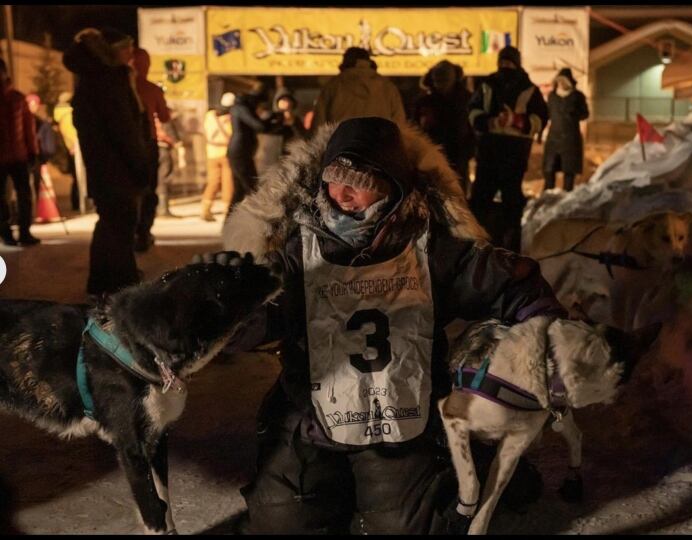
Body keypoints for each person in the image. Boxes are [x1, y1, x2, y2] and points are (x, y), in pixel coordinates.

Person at [208, 116, 567, 534]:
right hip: (311, 417)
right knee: (280, 524)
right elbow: (269, 311)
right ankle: (338, 484)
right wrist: (224, 312)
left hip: (400, 421)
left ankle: (469, 466)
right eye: (333, 179)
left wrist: (550, 337)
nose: (340, 194)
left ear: (392, 184)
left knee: (402, 528)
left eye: (357, 181)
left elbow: (511, 284)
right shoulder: (299, 244)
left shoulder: (430, 247)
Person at [63, 27, 150, 297]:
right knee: (121, 227)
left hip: (102, 169)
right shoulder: (109, 82)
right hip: (118, 169)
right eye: (126, 47)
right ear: (110, 51)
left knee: (109, 223)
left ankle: (101, 282)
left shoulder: (89, 81)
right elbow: (124, 130)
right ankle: (122, 286)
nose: (130, 53)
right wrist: (142, 166)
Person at [467, 45, 548, 253]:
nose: (505, 67)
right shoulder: (492, 84)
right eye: (503, 62)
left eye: (507, 62)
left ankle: (486, 246)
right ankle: (499, 247)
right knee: (498, 201)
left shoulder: (522, 87)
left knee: (487, 200)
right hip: (506, 152)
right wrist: (496, 121)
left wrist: (516, 121)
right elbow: (473, 112)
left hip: (499, 152)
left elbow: (540, 118)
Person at [131, 47, 172, 252]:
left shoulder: (125, 86)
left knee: (132, 190)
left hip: (128, 143)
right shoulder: (152, 89)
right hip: (148, 143)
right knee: (148, 189)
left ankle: (132, 231)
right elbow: (164, 117)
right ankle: (144, 232)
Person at [413, 60, 475, 195]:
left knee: (457, 194)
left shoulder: (466, 100)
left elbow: (472, 128)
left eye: (444, 80)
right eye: (438, 80)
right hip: (431, 154)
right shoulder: (425, 102)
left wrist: (469, 150)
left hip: (458, 154)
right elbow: (416, 128)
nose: (441, 84)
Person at [311, 47, 406, 130]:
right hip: (379, 146)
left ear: (345, 62)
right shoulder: (387, 87)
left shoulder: (333, 86)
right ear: (369, 62)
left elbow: (318, 125)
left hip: (342, 145)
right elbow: (400, 124)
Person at [0, 57, 40, 246]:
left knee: (24, 194)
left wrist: (33, 151)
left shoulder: (17, 98)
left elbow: (28, 128)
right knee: (1, 198)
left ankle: (25, 232)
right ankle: (5, 231)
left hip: (19, 155)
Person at [227, 87, 279, 211]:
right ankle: (260, 220)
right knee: (253, 188)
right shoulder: (242, 108)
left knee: (239, 192)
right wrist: (272, 118)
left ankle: (228, 223)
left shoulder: (240, 107)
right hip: (240, 152)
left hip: (240, 151)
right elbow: (259, 126)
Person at [542, 68, 590, 192]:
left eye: (564, 81)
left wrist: (573, 114)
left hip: (571, 139)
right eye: (559, 81)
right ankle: (547, 198)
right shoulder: (552, 97)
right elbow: (546, 115)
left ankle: (565, 200)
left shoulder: (577, 96)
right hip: (554, 139)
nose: (562, 84)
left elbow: (585, 114)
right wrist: (539, 132)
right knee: (549, 170)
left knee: (569, 172)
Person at [201, 92, 235, 221]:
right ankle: (227, 210)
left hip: (211, 153)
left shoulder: (209, 115)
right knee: (228, 182)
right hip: (226, 152)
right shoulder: (231, 117)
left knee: (213, 181)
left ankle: (206, 209)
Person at [53, 91, 82, 212]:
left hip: (69, 148)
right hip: (75, 149)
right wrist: (74, 145)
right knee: (78, 177)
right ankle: (77, 202)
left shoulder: (61, 116)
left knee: (76, 178)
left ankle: (76, 201)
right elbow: (72, 133)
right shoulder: (69, 115)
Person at [154, 108, 185, 218]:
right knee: (164, 178)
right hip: (163, 149)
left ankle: (157, 208)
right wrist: (179, 147)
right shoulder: (163, 116)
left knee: (157, 179)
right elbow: (170, 133)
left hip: (153, 148)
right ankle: (163, 209)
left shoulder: (151, 115)